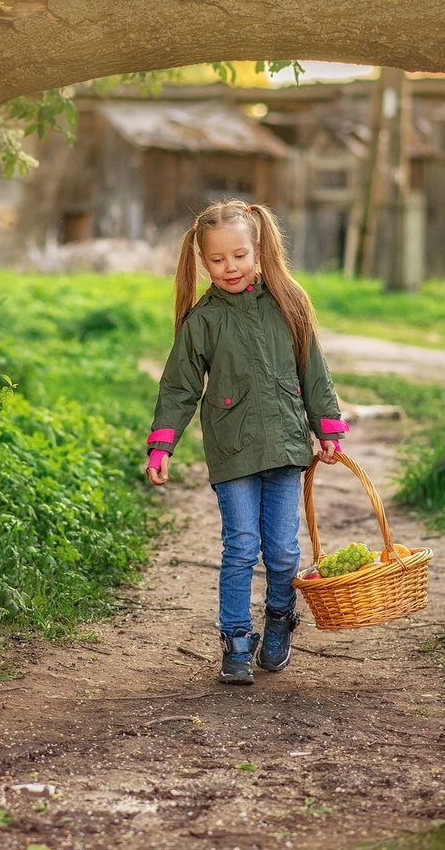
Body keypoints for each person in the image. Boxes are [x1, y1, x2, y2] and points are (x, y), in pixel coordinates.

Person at [145, 199, 346, 685]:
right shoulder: (203, 321)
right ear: (202, 261)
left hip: (284, 444)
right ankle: (236, 642)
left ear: (257, 249)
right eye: (217, 260)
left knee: (281, 552)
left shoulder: (289, 303)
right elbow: (179, 386)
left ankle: (280, 619)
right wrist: (162, 444)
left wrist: (328, 426)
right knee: (240, 547)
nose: (229, 267)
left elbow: (312, 369)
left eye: (238, 255)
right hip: (233, 449)